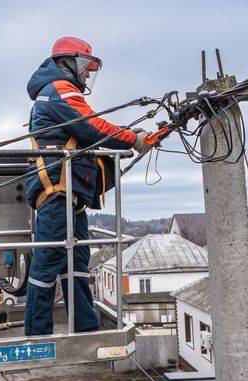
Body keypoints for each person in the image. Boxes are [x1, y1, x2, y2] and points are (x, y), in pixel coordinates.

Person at [24, 36, 153, 335]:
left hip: (70, 195)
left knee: (78, 258)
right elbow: (91, 126)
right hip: (57, 191)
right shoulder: (58, 89)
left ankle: (84, 325)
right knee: (48, 261)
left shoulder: (56, 90)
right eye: (85, 66)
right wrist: (131, 138)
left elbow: (88, 128)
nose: (88, 74)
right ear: (67, 62)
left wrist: (128, 135)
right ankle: (37, 335)